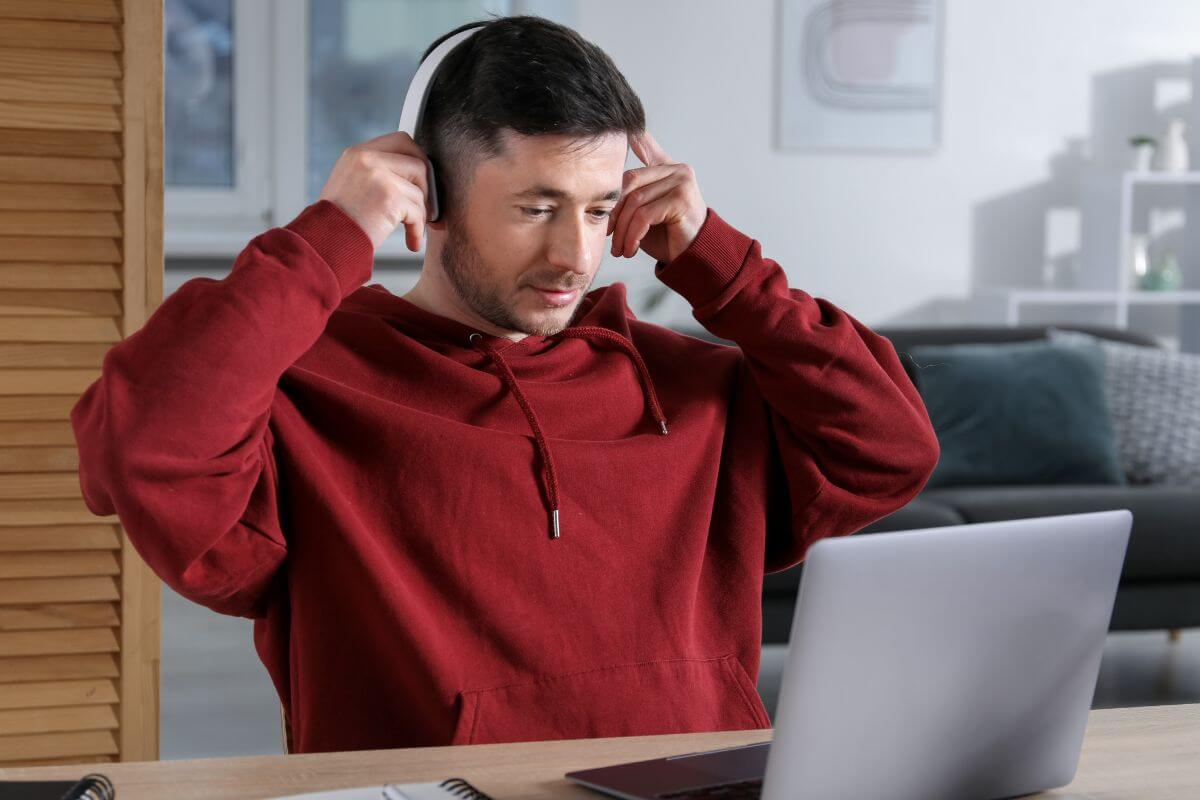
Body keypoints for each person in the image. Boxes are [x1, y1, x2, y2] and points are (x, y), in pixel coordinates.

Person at [71, 15, 939, 754]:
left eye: (599, 209)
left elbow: (892, 448)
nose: (576, 258)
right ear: (430, 196)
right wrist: (326, 239)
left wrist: (724, 265)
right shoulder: (310, 391)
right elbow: (144, 442)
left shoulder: (693, 387)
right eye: (535, 208)